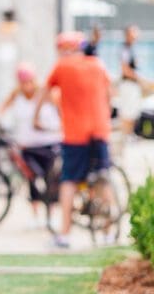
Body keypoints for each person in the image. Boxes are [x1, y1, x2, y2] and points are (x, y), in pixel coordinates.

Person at [34, 31, 113, 248]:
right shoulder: (98, 64)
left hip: (75, 132)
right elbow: (109, 93)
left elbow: (44, 91)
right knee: (103, 176)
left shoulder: (62, 66)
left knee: (69, 180)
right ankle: (108, 232)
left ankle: (65, 234)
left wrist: (36, 117)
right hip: (100, 129)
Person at [0, 62, 61, 226]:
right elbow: (2, 109)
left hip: (48, 142)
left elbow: (60, 110)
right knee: (32, 179)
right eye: (24, 83)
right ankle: (35, 215)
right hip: (27, 145)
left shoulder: (45, 94)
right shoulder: (16, 95)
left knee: (50, 178)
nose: (27, 86)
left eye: (30, 82)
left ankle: (51, 216)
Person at [118, 24, 144, 136]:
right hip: (128, 84)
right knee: (127, 113)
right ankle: (126, 136)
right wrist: (139, 78)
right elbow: (124, 68)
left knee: (132, 112)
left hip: (132, 84)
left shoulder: (131, 48)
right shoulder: (125, 48)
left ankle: (128, 135)